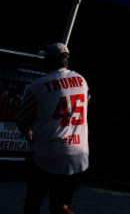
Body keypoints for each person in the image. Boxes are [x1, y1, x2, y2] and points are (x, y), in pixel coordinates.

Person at [15, 43, 89, 214]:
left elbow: (21, 118)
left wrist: (30, 136)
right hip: (79, 154)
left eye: (46, 58)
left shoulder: (40, 85)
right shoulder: (82, 80)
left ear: (51, 60)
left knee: (32, 204)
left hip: (49, 152)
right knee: (60, 207)